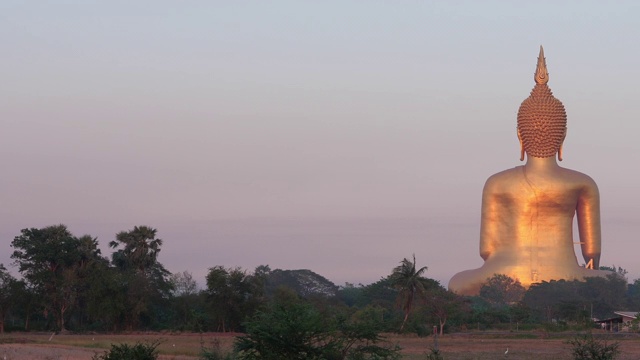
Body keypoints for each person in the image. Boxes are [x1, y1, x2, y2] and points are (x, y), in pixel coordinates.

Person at [448, 47, 612, 296]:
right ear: (563, 136)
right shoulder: (582, 183)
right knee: (611, 279)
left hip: (501, 277)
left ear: (519, 135)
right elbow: (592, 252)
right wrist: (591, 275)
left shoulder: (496, 182)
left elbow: (486, 250)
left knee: (457, 282)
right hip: (567, 279)